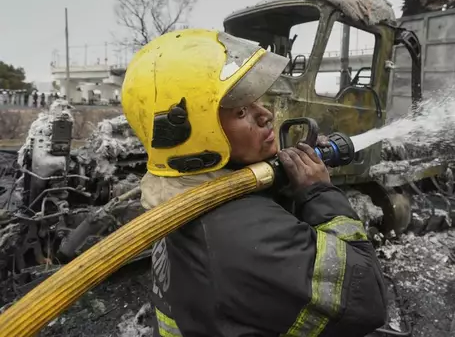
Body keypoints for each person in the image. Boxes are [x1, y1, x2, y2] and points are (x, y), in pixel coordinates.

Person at [121, 29, 388, 337]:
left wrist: (287, 185)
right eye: (241, 110)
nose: (267, 115)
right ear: (195, 133)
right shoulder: (241, 235)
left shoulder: (180, 196)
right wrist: (319, 194)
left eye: (258, 101)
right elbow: (367, 298)